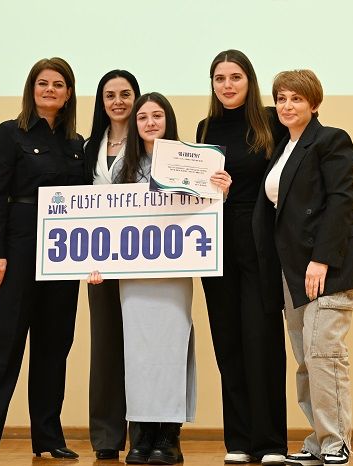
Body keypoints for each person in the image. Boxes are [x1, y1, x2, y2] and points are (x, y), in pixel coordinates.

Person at [0, 57, 87, 463]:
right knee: (2, 341)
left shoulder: (77, 144)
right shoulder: (8, 134)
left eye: (58, 84)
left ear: (68, 94)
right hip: (19, 246)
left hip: (63, 252)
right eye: (43, 83)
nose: (50, 90)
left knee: (54, 345)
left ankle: (48, 437)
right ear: (32, 89)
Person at [89, 92, 231, 465]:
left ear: (168, 120)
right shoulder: (122, 169)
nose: (150, 122)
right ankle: (143, 435)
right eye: (143, 117)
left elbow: (206, 212)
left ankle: (169, 436)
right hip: (134, 279)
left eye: (157, 116)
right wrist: (95, 262)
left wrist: (221, 190)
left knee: (171, 350)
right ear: (135, 125)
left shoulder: (194, 161)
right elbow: (107, 222)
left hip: (173, 275)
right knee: (137, 354)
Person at [253, 69, 353, 466]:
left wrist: (321, 259)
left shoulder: (330, 140)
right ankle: (320, 441)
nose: (287, 106)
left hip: (329, 268)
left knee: (325, 355)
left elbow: (341, 200)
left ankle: (337, 443)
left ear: (314, 103)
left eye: (297, 99)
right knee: (307, 360)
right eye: (281, 98)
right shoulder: (282, 147)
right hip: (292, 272)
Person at [196, 49, 288, 466]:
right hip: (215, 246)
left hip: (259, 245)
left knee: (261, 340)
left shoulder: (270, 121)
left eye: (235, 77)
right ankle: (239, 439)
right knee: (227, 340)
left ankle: (270, 442)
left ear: (249, 81)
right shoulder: (204, 128)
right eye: (220, 78)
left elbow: (285, 180)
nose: (227, 85)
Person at [84, 69, 141, 461]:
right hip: (99, 263)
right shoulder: (88, 147)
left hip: (143, 259)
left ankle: (143, 434)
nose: (118, 101)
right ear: (101, 102)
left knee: (141, 345)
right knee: (104, 346)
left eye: (125, 94)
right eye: (110, 95)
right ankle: (106, 436)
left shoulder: (153, 145)